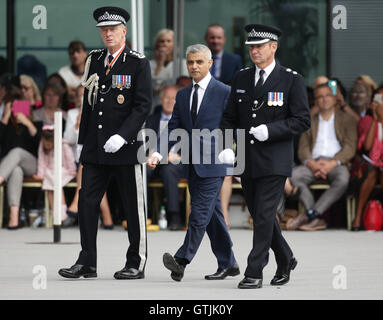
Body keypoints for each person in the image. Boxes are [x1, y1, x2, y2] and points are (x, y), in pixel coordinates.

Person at [58, 6, 152, 280]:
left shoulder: (137, 62)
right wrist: (82, 140)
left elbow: (143, 106)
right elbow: (88, 104)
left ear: (124, 31)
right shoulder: (95, 60)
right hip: (97, 146)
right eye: (104, 30)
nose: (108, 33)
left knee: (133, 207)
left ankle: (136, 262)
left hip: (125, 147)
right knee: (87, 203)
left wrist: (122, 135)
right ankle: (87, 261)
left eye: (113, 29)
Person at [219, 24, 311, 289]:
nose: (254, 51)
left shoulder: (291, 79)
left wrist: (270, 130)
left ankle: (254, 270)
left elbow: (302, 120)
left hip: (273, 159)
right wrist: (227, 145)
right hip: (246, 158)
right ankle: (285, 258)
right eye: (251, 47)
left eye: (260, 46)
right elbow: (229, 118)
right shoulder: (241, 78)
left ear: (274, 47)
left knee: (262, 216)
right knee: (263, 214)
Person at [148, 44, 239, 282]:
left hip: (214, 163)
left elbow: (232, 123)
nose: (194, 66)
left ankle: (181, 260)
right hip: (191, 163)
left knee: (198, 213)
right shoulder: (183, 94)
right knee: (212, 216)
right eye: (190, 62)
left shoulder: (224, 91)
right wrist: (158, 153)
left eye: (199, 62)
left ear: (210, 64)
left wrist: (230, 148)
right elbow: (173, 127)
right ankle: (228, 263)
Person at [287, 83, 357, 231]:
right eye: (320, 96)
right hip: (313, 163)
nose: (324, 99)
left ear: (334, 98)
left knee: (343, 179)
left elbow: (350, 147)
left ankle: (310, 214)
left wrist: (332, 163)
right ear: (316, 101)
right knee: (294, 175)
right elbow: (303, 148)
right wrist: (312, 164)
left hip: (336, 163)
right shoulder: (309, 121)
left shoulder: (347, 119)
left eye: (327, 95)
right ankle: (315, 217)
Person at [63, 86, 114, 229]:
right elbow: (68, 139)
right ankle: (107, 216)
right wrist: (77, 126)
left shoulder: (100, 110)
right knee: (88, 167)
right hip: (74, 157)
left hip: (95, 155)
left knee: (89, 166)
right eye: (80, 95)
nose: (83, 98)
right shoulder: (73, 113)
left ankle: (76, 203)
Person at [0, 75, 42, 229]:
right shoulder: (10, 115)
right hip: (13, 163)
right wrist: (5, 117)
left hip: (33, 162)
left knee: (17, 151)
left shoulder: (37, 112)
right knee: (16, 171)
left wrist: (27, 123)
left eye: (26, 88)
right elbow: (4, 140)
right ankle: (14, 218)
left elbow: (42, 143)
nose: (23, 92)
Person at [145, 86, 185, 230]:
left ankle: (174, 216)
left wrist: (179, 156)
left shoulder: (184, 121)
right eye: (166, 98)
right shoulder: (151, 119)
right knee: (143, 171)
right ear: (161, 100)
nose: (170, 101)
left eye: (173, 98)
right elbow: (142, 143)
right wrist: (148, 153)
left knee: (169, 171)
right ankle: (146, 214)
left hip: (177, 160)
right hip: (153, 160)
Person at [351, 86, 383, 231]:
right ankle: (357, 217)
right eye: (378, 99)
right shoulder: (367, 120)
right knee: (373, 172)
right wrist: (376, 120)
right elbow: (368, 147)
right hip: (371, 166)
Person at [33, 126, 76, 226]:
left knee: (57, 185)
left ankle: (62, 216)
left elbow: (69, 159)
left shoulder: (63, 145)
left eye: (49, 143)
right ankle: (56, 216)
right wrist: (40, 174)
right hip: (49, 171)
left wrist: (72, 170)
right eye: (45, 143)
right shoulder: (41, 146)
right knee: (49, 187)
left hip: (63, 170)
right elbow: (42, 161)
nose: (47, 145)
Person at [150, 29, 188, 109]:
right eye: (162, 41)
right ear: (157, 44)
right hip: (156, 107)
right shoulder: (150, 64)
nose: (165, 44)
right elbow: (153, 88)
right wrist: (160, 64)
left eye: (168, 41)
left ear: (174, 44)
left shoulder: (182, 64)